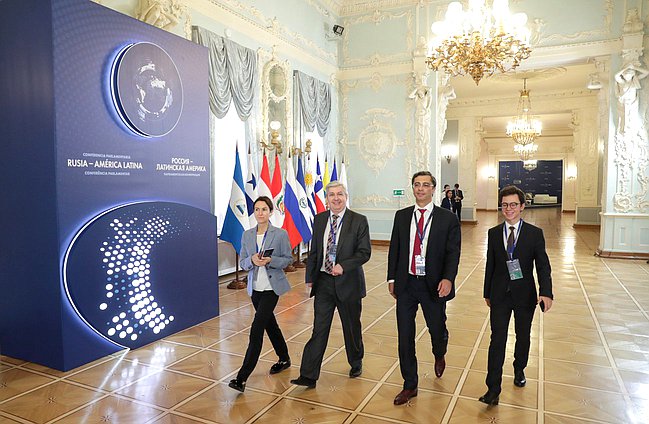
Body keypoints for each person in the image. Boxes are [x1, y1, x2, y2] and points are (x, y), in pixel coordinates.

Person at [387, 171, 461, 405]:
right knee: (405, 335)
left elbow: (453, 253)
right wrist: (392, 279)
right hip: (407, 284)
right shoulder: (401, 216)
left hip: (433, 285)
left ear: (433, 189)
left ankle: (439, 352)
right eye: (417, 185)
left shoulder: (447, 218)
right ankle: (410, 385)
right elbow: (395, 250)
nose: (420, 188)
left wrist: (448, 278)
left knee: (436, 329)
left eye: (425, 185)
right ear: (413, 188)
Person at [291, 181, 371, 388]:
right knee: (319, 328)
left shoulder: (359, 221)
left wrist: (343, 266)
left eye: (340, 194)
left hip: (348, 283)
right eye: (332, 195)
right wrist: (309, 276)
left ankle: (356, 360)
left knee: (351, 327)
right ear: (326, 199)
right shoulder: (319, 220)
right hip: (324, 282)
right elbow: (315, 251)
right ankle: (308, 374)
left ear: (346, 197)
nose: (336, 198)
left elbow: (364, 253)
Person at [479, 185, 553, 406]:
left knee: (523, 336)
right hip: (499, 295)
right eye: (504, 204)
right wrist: (487, 292)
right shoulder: (493, 233)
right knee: (497, 340)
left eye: (513, 204)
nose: (508, 209)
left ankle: (519, 367)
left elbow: (543, 266)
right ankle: (493, 388)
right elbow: (490, 265)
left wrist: (546, 292)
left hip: (525, 296)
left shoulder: (534, 234)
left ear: (522, 206)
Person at [228, 196, 294, 392]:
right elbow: (243, 263)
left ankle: (242, 377)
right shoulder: (247, 235)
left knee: (257, 329)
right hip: (255, 290)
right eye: (257, 209)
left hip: (272, 289)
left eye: (264, 209)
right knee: (270, 325)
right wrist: (253, 261)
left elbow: (288, 260)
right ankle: (284, 358)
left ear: (271, 212)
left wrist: (270, 260)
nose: (260, 213)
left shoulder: (280, 234)